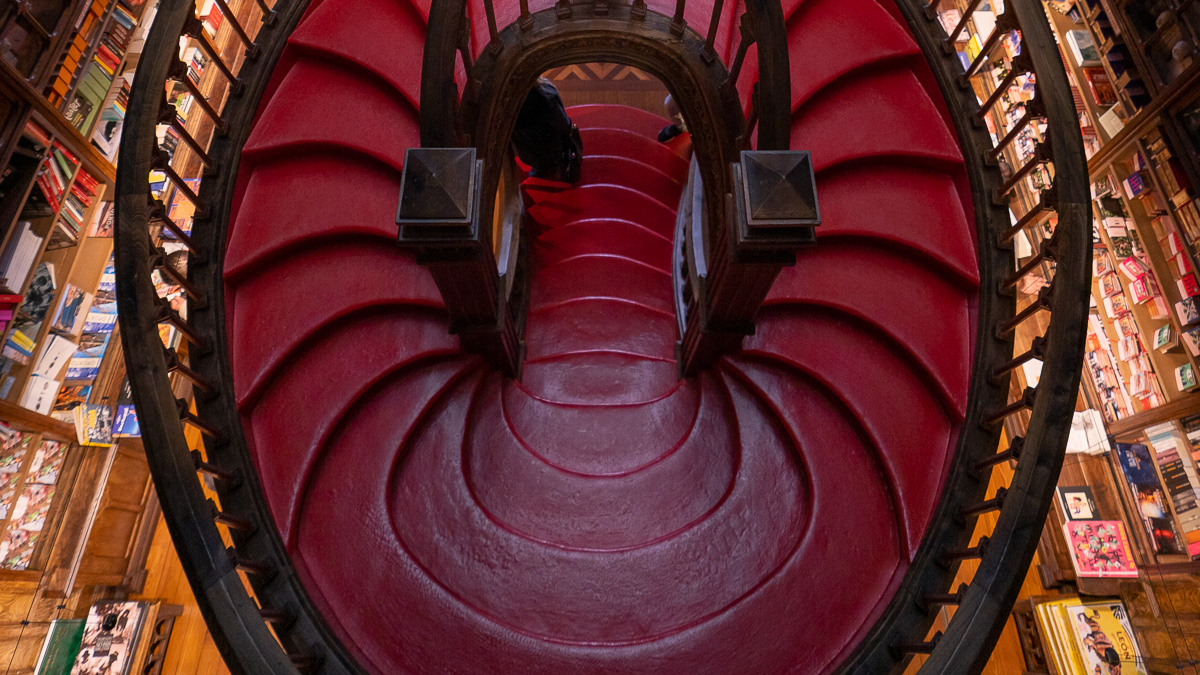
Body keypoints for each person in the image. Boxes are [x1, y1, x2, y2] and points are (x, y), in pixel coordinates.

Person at [511, 78, 582, 183]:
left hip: (525, 154)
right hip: (552, 152)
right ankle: (561, 163)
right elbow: (564, 126)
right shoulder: (546, 96)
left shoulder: (507, 104)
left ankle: (540, 169)